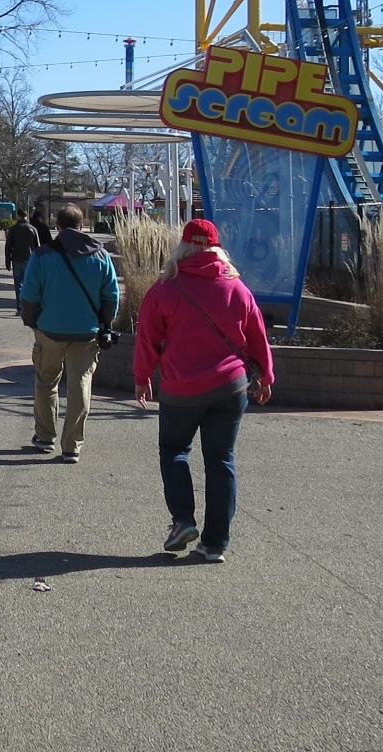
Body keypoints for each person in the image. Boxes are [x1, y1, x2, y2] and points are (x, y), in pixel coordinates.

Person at [134, 219, 274, 562]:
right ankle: (215, 544)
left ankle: (183, 520)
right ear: (216, 248)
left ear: (183, 246)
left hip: (181, 387)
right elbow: (257, 334)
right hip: (230, 386)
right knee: (221, 460)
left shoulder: (166, 288)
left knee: (174, 450)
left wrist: (142, 376)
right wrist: (266, 375)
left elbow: (147, 337)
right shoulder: (236, 287)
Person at [17, 204, 120, 464]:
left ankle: (45, 436)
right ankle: (72, 445)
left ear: (57, 225)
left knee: (46, 382)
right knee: (80, 385)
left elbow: (29, 295)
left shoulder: (42, 255)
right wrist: (105, 323)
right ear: (82, 225)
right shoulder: (101, 255)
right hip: (87, 332)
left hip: (49, 329)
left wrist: (32, 323)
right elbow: (111, 296)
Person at [6, 215, 41, 318]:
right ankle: (29, 307)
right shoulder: (33, 229)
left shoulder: (14, 229)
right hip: (30, 259)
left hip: (16, 259)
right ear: (26, 216)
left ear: (18, 217)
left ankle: (20, 308)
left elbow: (8, 245)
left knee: (18, 284)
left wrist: (8, 260)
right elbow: (38, 246)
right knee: (29, 284)